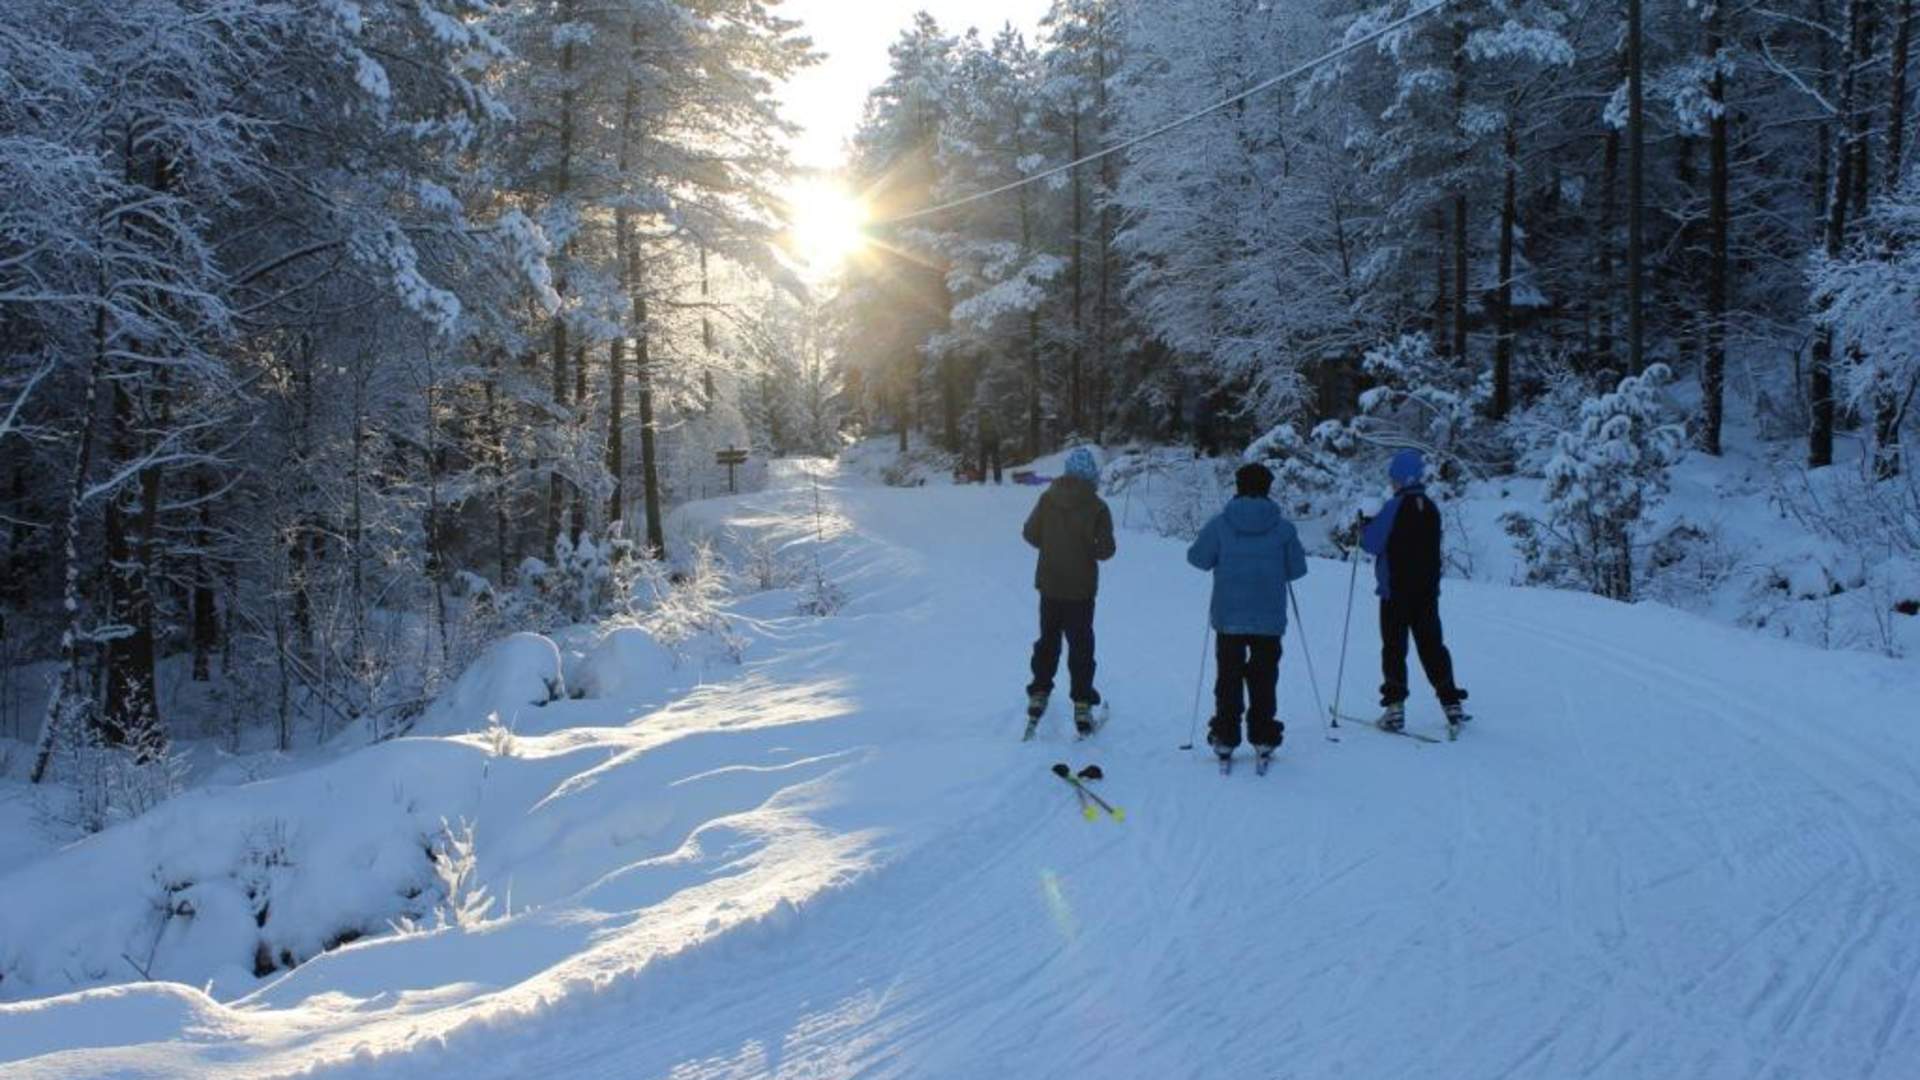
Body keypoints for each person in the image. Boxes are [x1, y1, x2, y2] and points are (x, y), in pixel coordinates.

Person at [1186, 462, 1308, 765]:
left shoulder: (1220, 524)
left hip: (1229, 617)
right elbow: (1297, 569)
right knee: (1264, 677)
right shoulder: (1283, 529)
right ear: (1268, 488)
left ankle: (1226, 735)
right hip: (1269, 618)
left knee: (1228, 676)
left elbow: (1198, 558)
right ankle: (1264, 734)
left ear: (1238, 487)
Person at [1360, 449, 1468, 732]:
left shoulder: (1394, 506)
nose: (1392, 482)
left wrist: (1366, 526)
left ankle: (1395, 707)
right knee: (1432, 646)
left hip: (1395, 591)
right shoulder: (1430, 507)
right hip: (1427, 591)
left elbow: (1370, 543)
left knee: (1395, 647)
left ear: (1400, 478)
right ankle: (1451, 703)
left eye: (1393, 477)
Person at [1022, 447, 1116, 734]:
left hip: (1050, 584)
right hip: (1081, 589)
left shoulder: (1048, 498)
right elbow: (1106, 551)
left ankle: (1039, 691)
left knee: (1048, 639)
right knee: (1080, 644)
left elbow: (1029, 533)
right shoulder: (1098, 507)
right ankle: (1082, 701)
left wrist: (1052, 546)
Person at [979, 411, 1004, 485]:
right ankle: (998, 479)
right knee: (996, 461)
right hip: (994, 443)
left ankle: (982, 479)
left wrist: (981, 440)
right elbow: (999, 432)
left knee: (983, 462)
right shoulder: (994, 421)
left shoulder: (981, 422)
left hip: (985, 443)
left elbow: (979, 432)